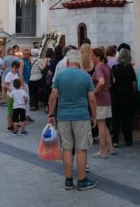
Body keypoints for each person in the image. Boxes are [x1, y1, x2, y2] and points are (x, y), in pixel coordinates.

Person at [47, 49, 97, 191]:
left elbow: (53, 96)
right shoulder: (85, 76)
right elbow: (92, 99)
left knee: (67, 148)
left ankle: (68, 179)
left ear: (68, 61)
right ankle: (81, 180)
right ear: (79, 61)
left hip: (63, 116)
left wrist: (51, 115)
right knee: (81, 148)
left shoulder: (60, 75)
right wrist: (94, 116)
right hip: (81, 116)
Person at [111, 47, 136, 147]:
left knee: (116, 119)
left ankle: (115, 140)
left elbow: (113, 82)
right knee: (128, 118)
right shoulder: (130, 68)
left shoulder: (115, 68)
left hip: (117, 95)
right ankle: (128, 139)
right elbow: (134, 83)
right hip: (128, 95)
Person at [91, 47, 114, 158]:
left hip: (100, 98)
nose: (91, 58)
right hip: (106, 96)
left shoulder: (99, 67)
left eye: (93, 56)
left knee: (100, 125)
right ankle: (110, 147)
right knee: (103, 124)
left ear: (98, 57)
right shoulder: (106, 66)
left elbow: (101, 82)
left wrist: (95, 92)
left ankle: (102, 151)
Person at [3, 61, 21, 132]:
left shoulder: (16, 74)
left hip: (15, 95)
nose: (16, 69)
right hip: (10, 95)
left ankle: (14, 123)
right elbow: (5, 85)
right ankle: (10, 126)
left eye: (17, 68)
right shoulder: (9, 74)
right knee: (10, 111)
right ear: (12, 67)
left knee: (15, 110)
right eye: (15, 68)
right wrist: (11, 90)